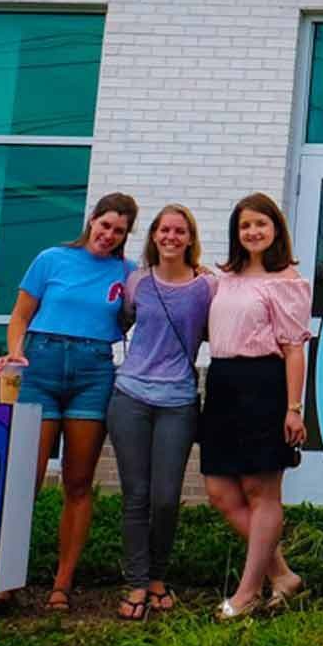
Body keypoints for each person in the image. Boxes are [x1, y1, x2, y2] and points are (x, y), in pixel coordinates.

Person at [0, 192, 139, 611]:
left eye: (119, 231)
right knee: (26, 479)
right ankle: (6, 578)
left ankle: (62, 583)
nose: (108, 235)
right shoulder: (51, 259)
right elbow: (20, 316)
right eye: (105, 225)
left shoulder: (128, 274)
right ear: (91, 220)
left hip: (93, 371)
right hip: (40, 366)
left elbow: (160, 294)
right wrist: (16, 353)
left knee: (77, 482)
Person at [200, 192, 311, 619]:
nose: (252, 232)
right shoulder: (223, 278)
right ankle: (282, 575)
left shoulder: (286, 282)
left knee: (260, 490)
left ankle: (246, 593)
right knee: (220, 491)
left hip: (264, 384)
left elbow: (294, 349)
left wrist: (294, 408)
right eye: (245, 225)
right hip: (223, 383)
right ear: (236, 232)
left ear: (276, 230)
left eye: (261, 225)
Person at [106, 204, 216, 621]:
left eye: (179, 231)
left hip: (179, 401)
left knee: (167, 498)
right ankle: (138, 582)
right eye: (164, 230)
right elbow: (119, 322)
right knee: (136, 495)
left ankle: (158, 575)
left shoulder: (206, 288)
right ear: (154, 236)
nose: (171, 237)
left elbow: (218, 330)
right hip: (130, 395)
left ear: (190, 239)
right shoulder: (137, 283)